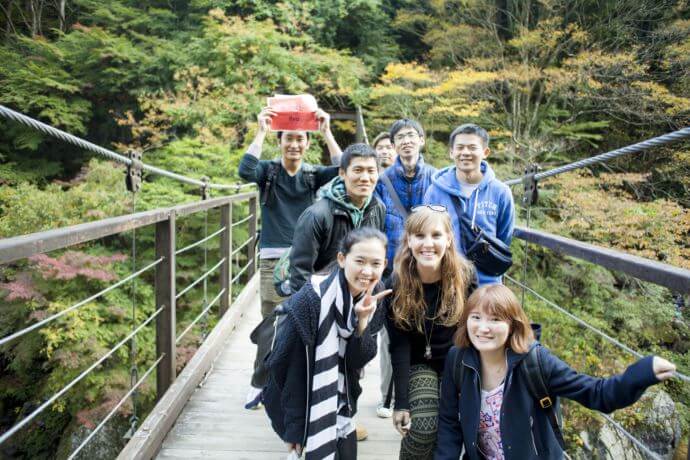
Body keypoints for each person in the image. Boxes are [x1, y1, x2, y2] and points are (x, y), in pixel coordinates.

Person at [435, 284, 677, 460]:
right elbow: (448, 422)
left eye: (495, 319)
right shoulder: (459, 360)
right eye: (476, 317)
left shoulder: (536, 362)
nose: (483, 328)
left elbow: (597, 394)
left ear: (512, 326)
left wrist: (643, 372)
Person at [239, 105, 342, 409]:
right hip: (273, 260)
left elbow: (343, 168)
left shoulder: (312, 175)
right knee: (272, 322)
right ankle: (259, 382)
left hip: (307, 261)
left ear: (307, 144)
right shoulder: (269, 172)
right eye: (288, 139)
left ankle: (298, 385)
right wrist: (260, 130)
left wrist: (326, 132)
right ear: (280, 141)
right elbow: (245, 170)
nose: (294, 144)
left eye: (300, 139)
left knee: (307, 322)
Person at [262, 228, 393, 460]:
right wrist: (294, 428)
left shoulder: (376, 295)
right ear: (342, 259)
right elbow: (285, 366)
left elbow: (357, 360)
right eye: (359, 261)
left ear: (385, 264)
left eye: (376, 263)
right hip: (303, 399)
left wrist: (362, 320)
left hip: (343, 402)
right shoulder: (310, 300)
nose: (367, 271)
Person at [384, 206, 475, 459]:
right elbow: (399, 346)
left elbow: (475, 331)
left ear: (448, 239)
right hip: (417, 363)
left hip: (456, 363)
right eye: (419, 236)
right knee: (423, 428)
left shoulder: (465, 277)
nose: (428, 244)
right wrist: (401, 403)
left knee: (453, 431)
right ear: (409, 241)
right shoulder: (396, 284)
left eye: (436, 235)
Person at [423, 123, 514, 286]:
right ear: (452, 152)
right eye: (460, 148)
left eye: (472, 147)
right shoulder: (434, 192)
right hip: (445, 281)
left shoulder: (500, 192)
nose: (465, 153)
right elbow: (427, 234)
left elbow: (504, 238)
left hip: (486, 283)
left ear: (485, 152)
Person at [289, 143, 385, 294]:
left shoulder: (377, 208)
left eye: (371, 171)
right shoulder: (317, 215)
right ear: (342, 173)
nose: (365, 178)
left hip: (359, 295)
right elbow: (300, 273)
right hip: (322, 297)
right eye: (358, 170)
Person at [375, 119, 437, 277]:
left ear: (421, 140)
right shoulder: (382, 182)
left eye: (411, 135)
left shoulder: (437, 179)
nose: (406, 141)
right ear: (394, 145)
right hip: (392, 267)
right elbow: (374, 225)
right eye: (400, 137)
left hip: (430, 264)